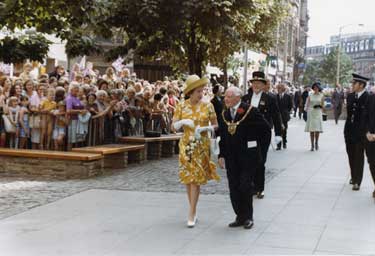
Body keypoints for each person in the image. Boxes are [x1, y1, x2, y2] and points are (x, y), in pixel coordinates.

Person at [218, 86, 270, 229]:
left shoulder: (250, 111)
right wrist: (221, 155)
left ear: (237, 97)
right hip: (231, 157)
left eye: (229, 97)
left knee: (245, 185)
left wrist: (259, 149)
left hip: (248, 157)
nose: (226, 99)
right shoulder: (225, 113)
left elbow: (265, 130)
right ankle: (239, 216)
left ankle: (248, 217)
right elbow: (222, 136)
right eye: (225, 97)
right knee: (233, 186)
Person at [172, 74, 220, 228]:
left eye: (203, 91)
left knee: (196, 179)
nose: (201, 94)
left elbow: (216, 125)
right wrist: (181, 122)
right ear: (190, 92)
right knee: (188, 178)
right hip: (186, 144)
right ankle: (193, 209)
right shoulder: (181, 105)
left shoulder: (208, 105)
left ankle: (191, 212)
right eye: (198, 91)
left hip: (201, 144)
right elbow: (173, 127)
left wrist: (207, 128)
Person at [242, 72, 282, 199]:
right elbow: (240, 115)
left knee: (261, 160)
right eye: (254, 83)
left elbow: (276, 116)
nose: (256, 85)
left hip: (263, 133)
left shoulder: (270, 99)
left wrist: (278, 134)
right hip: (249, 134)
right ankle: (252, 186)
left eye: (259, 83)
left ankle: (260, 188)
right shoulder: (245, 98)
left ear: (264, 85)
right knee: (249, 160)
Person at [344, 73, 370, 191]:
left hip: (361, 132)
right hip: (349, 130)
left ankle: (357, 181)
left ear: (361, 85)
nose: (352, 85)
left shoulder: (369, 98)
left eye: (354, 83)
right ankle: (353, 176)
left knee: (359, 156)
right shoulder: (350, 96)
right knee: (351, 154)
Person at [304, 82, 325, 151]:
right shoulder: (310, 95)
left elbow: (323, 106)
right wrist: (306, 111)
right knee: (311, 130)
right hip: (311, 113)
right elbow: (307, 104)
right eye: (314, 88)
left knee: (317, 130)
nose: (316, 89)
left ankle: (316, 143)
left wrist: (320, 106)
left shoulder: (321, 95)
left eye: (317, 88)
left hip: (318, 113)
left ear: (319, 88)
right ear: (313, 88)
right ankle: (312, 145)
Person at [276, 83, 293, 150]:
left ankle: (284, 142)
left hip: (284, 116)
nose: (279, 89)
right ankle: (278, 145)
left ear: (283, 89)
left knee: (284, 130)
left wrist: (287, 112)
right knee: (277, 131)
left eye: (280, 88)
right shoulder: (275, 96)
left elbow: (290, 106)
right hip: (277, 116)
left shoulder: (288, 96)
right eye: (278, 88)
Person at [365, 89, 375, 198]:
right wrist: (367, 132)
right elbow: (365, 116)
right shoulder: (371, 98)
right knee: (372, 163)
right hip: (371, 138)